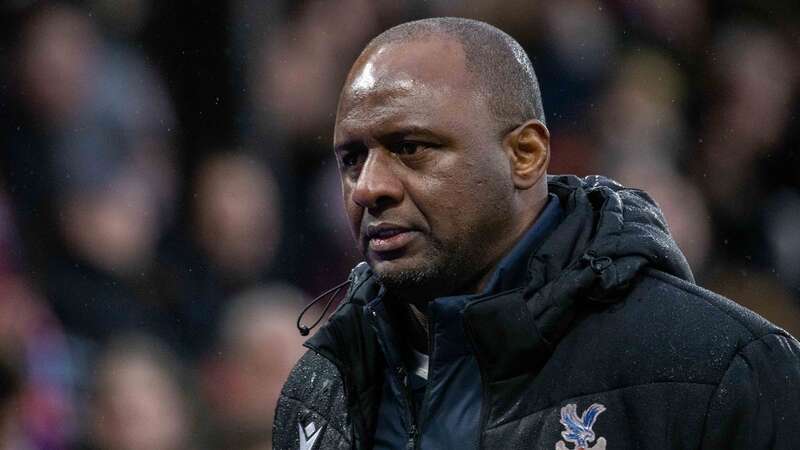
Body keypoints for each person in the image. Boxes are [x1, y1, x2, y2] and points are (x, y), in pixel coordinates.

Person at [273, 18, 800, 450]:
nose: (368, 188)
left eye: (411, 147)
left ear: (525, 155)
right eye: (351, 159)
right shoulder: (319, 391)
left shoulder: (721, 369)